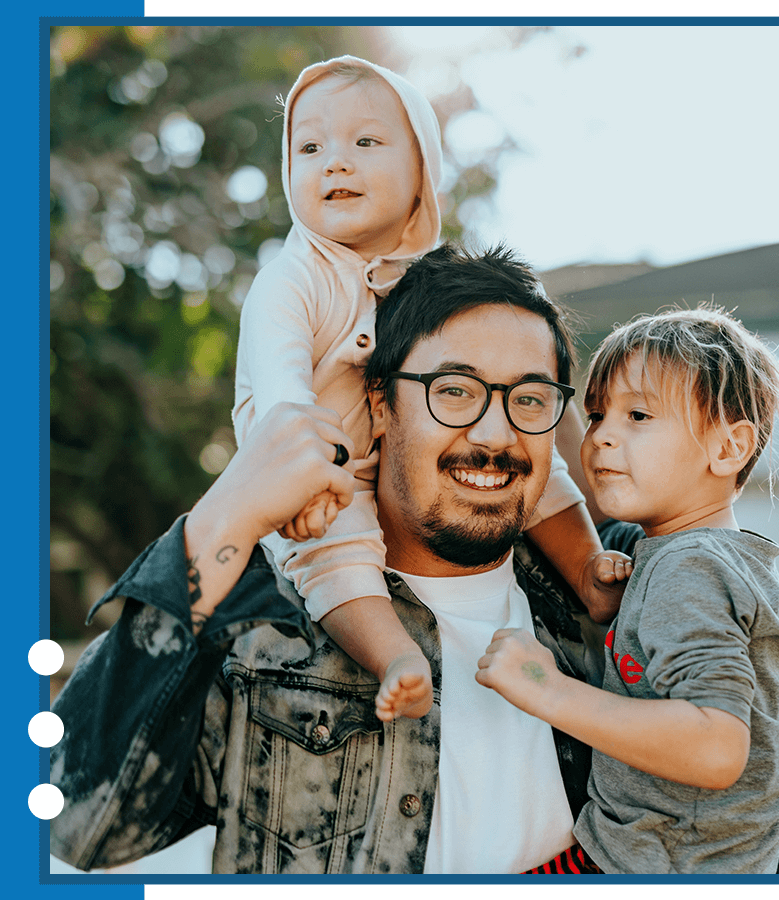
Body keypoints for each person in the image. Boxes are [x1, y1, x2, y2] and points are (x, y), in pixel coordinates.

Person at [49, 247, 779, 875]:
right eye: (455, 391)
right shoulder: (264, 613)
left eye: (530, 399)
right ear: (379, 405)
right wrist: (222, 516)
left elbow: (770, 786)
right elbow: (79, 825)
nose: (495, 435)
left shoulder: (614, 582)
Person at [231, 55, 627, 723]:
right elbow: (281, 395)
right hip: (315, 478)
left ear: (422, 172)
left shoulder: (432, 283)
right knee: (337, 556)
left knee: (538, 463)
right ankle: (395, 656)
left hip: (389, 462)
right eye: (310, 147)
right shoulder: (293, 278)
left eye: (365, 142)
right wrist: (304, 480)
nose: (335, 162)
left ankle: (588, 569)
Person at [477, 307, 779, 873]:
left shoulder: (688, 568)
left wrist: (545, 688)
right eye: (595, 415)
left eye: (637, 414)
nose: (602, 436)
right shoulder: (702, 559)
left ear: (729, 448)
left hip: (653, 861)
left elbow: (716, 747)